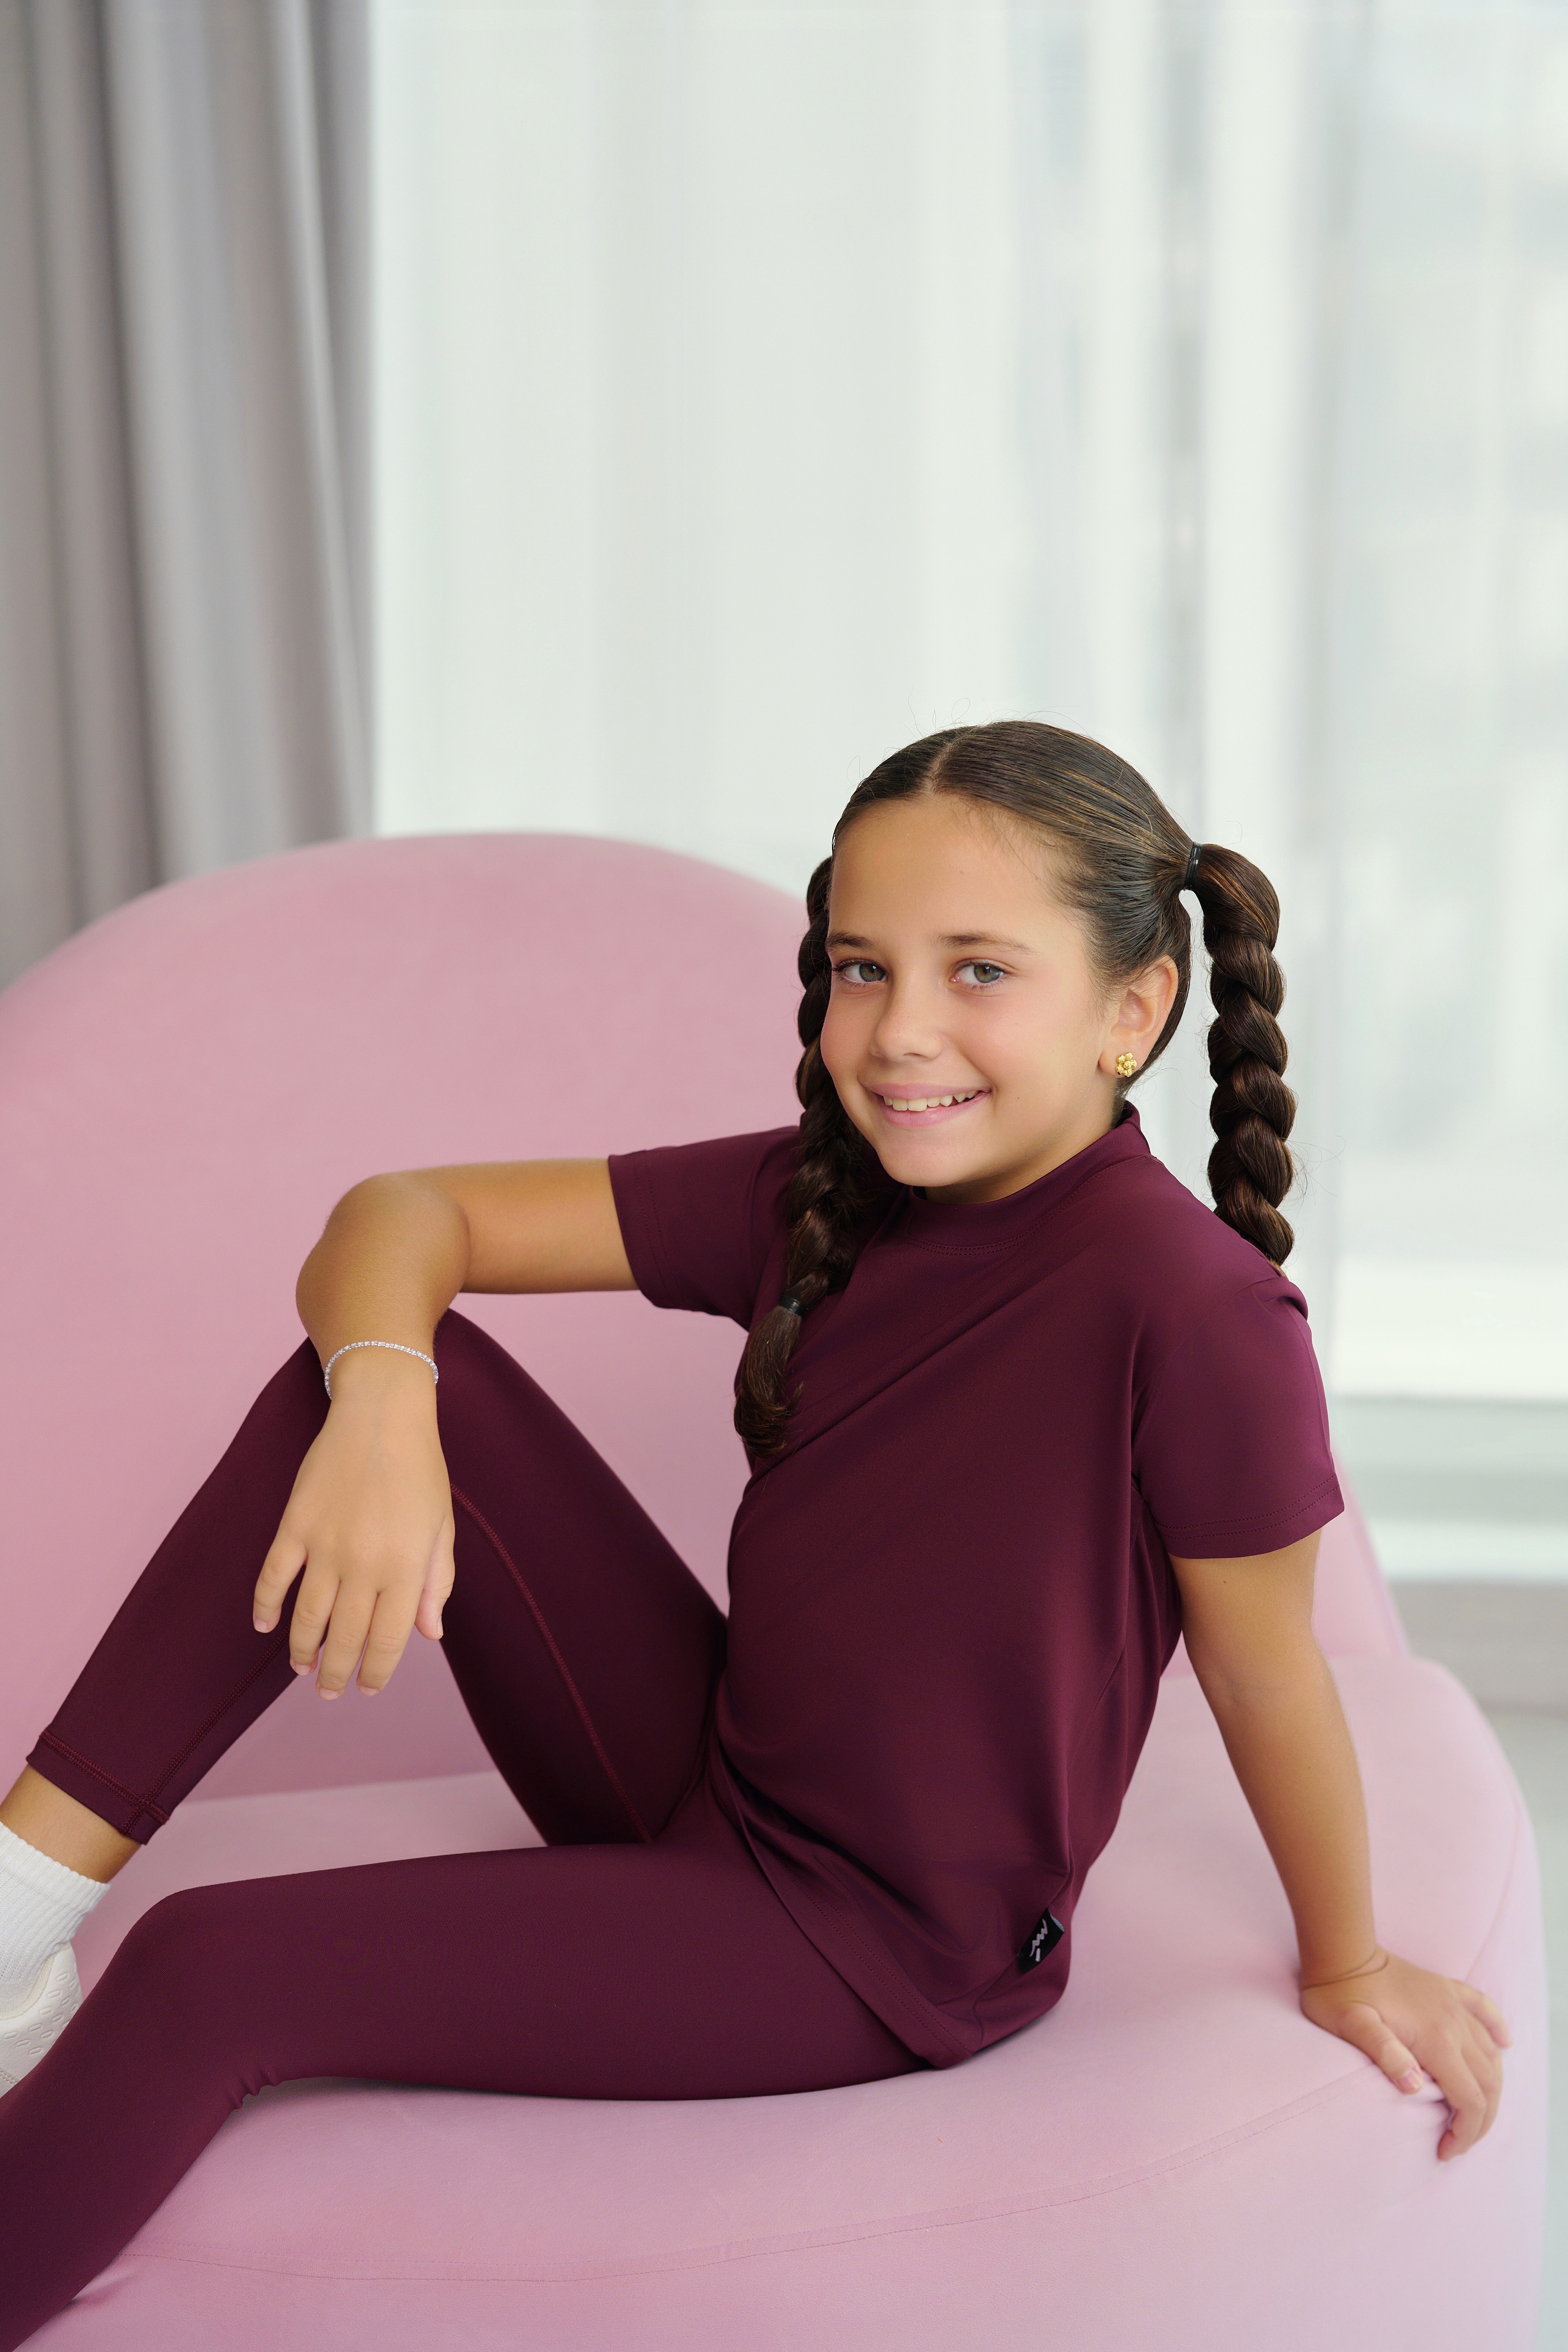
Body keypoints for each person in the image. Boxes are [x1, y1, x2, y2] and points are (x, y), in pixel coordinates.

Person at [0, 722, 1508, 2347]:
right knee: (370, 1376)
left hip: (866, 1943)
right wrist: (379, 1406)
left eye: (978, 970)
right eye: (864, 966)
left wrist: (1347, 1959)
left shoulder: (1194, 1308)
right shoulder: (825, 1197)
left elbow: (1271, 1666)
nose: (901, 1029)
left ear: (1131, 1011)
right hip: (704, 1769)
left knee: (210, 1969)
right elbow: (405, 1212)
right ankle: (12, 1911)